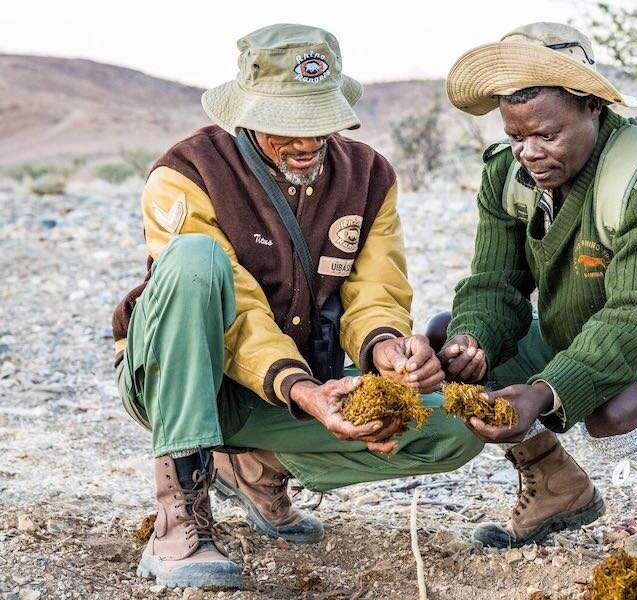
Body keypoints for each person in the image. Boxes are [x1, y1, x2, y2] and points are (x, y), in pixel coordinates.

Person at [112, 24, 482, 590]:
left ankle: (255, 467)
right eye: (286, 125)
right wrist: (303, 390)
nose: (307, 142)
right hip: (177, 384)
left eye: (319, 121)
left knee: (455, 430)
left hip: (293, 390)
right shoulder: (186, 173)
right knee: (193, 260)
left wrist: (387, 348)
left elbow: (375, 290)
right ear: (246, 114)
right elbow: (238, 312)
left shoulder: (369, 176)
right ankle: (178, 516)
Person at [434, 22, 637, 558]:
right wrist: (473, 337)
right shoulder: (507, 175)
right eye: (516, 137)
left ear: (593, 107)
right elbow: (495, 283)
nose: (529, 153)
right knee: (451, 340)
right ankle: (557, 486)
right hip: (582, 337)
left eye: (547, 136)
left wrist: (545, 392)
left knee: (612, 410)